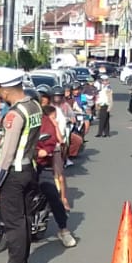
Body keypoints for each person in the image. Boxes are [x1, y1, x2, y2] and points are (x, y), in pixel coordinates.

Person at [0, 65, 42, 263]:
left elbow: (7, 152)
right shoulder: (34, 106)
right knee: (26, 218)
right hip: (30, 169)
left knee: (14, 222)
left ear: (5, 90)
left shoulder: (15, 114)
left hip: (14, 173)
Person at [33, 93, 78, 249]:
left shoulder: (45, 121)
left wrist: (44, 151)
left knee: (52, 192)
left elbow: (53, 139)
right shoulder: (15, 117)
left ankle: (63, 229)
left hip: (41, 163)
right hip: (20, 164)